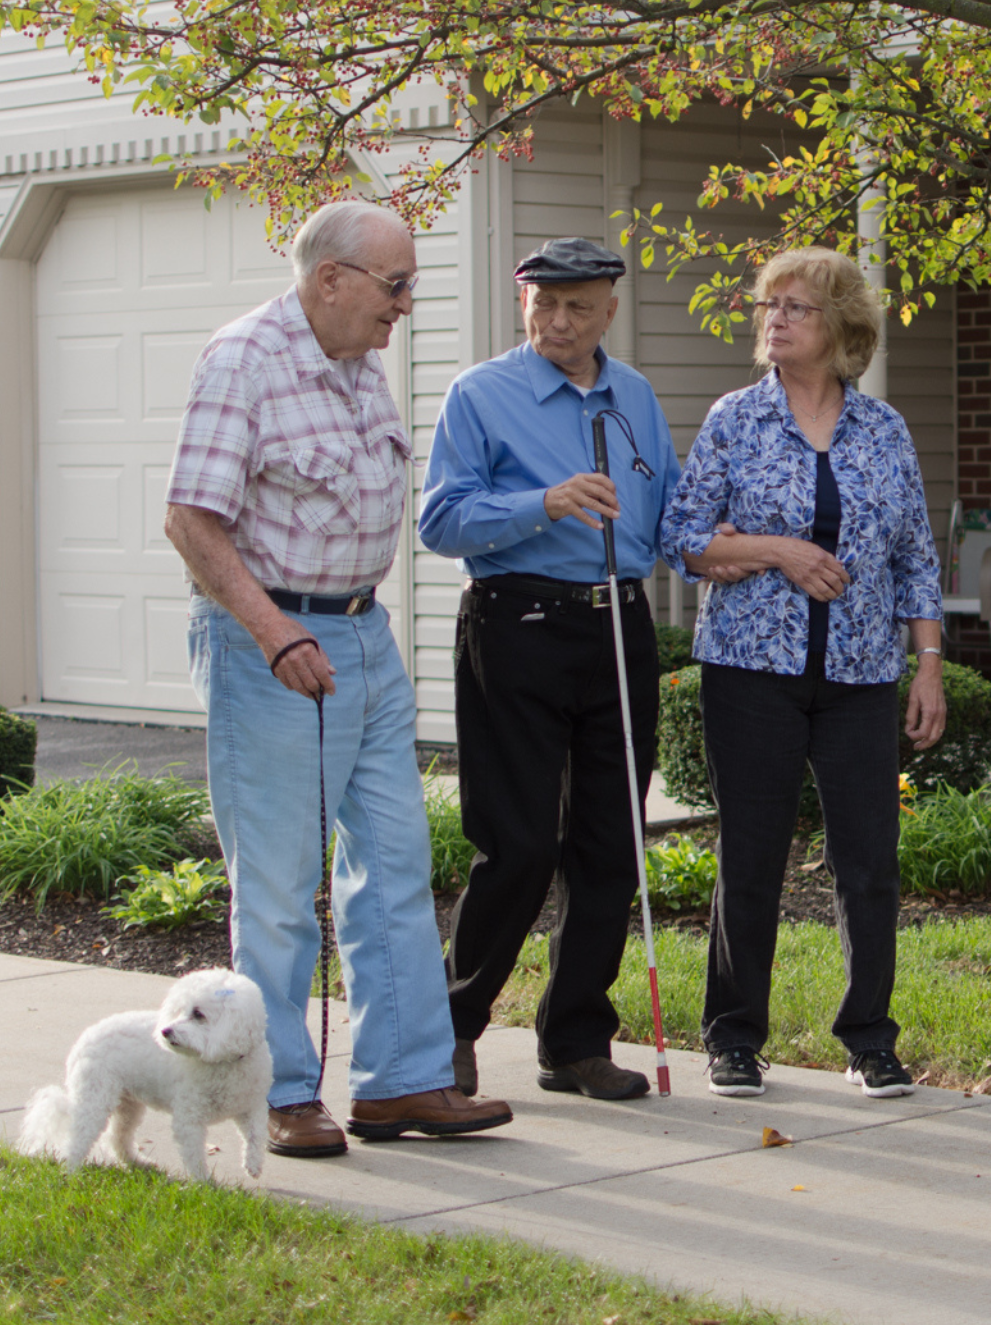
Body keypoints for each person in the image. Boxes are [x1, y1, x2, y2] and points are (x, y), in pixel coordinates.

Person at [165, 199, 512, 1156]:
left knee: (395, 865)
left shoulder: (359, 363)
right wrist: (276, 633)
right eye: (394, 286)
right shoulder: (243, 359)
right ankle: (275, 1090)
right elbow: (192, 519)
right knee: (278, 887)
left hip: (364, 635)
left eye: (408, 287)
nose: (404, 304)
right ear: (330, 279)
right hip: (274, 647)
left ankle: (403, 1082)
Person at [658, 245, 946, 1101]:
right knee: (751, 855)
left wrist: (926, 664)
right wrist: (779, 550)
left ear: (841, 327)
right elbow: (685, 537)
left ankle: (870, 1038)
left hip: (860, 674)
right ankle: (734, 1034)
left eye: (795, 307)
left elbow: (916, 560)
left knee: (870, 860)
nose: (774, 320)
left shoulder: (883, 429)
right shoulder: (734, 420)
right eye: (768, 306)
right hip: (751, 671)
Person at [419, 238, 698, 1100]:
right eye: (545, 303)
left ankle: (574, 1040)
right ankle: (451, 1030)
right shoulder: (480, 394)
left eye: (579, 305)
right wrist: (544, 503)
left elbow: (671, 511)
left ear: (610, 308)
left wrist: (743, 554)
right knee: (519, 844)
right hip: (518, 625)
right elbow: (441, 520)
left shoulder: (637, 396)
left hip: (619, 627)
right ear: (521, 300)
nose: (561, 321)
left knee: (612, 843)